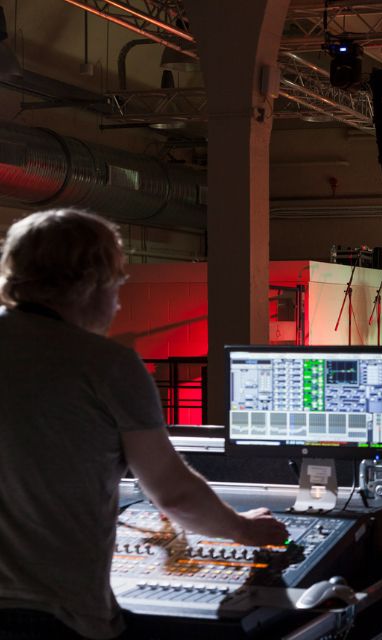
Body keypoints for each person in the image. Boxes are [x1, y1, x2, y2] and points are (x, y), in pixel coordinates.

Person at [0, 209, 289, 640]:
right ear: (91, 282)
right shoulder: (106, 364)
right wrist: (244, 529)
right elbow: (173, 493)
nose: (118, 303)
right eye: (117, 284)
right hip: (52, 617)